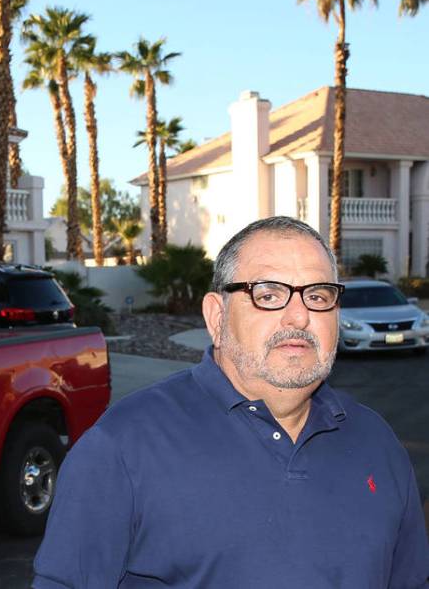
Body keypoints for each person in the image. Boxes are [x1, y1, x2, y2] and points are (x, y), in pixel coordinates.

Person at [33, 216, 428, 588]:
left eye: (318, 295)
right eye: (268, 294)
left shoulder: (377, 442)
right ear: (216, 316)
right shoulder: (122, 448)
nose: (299, 316)